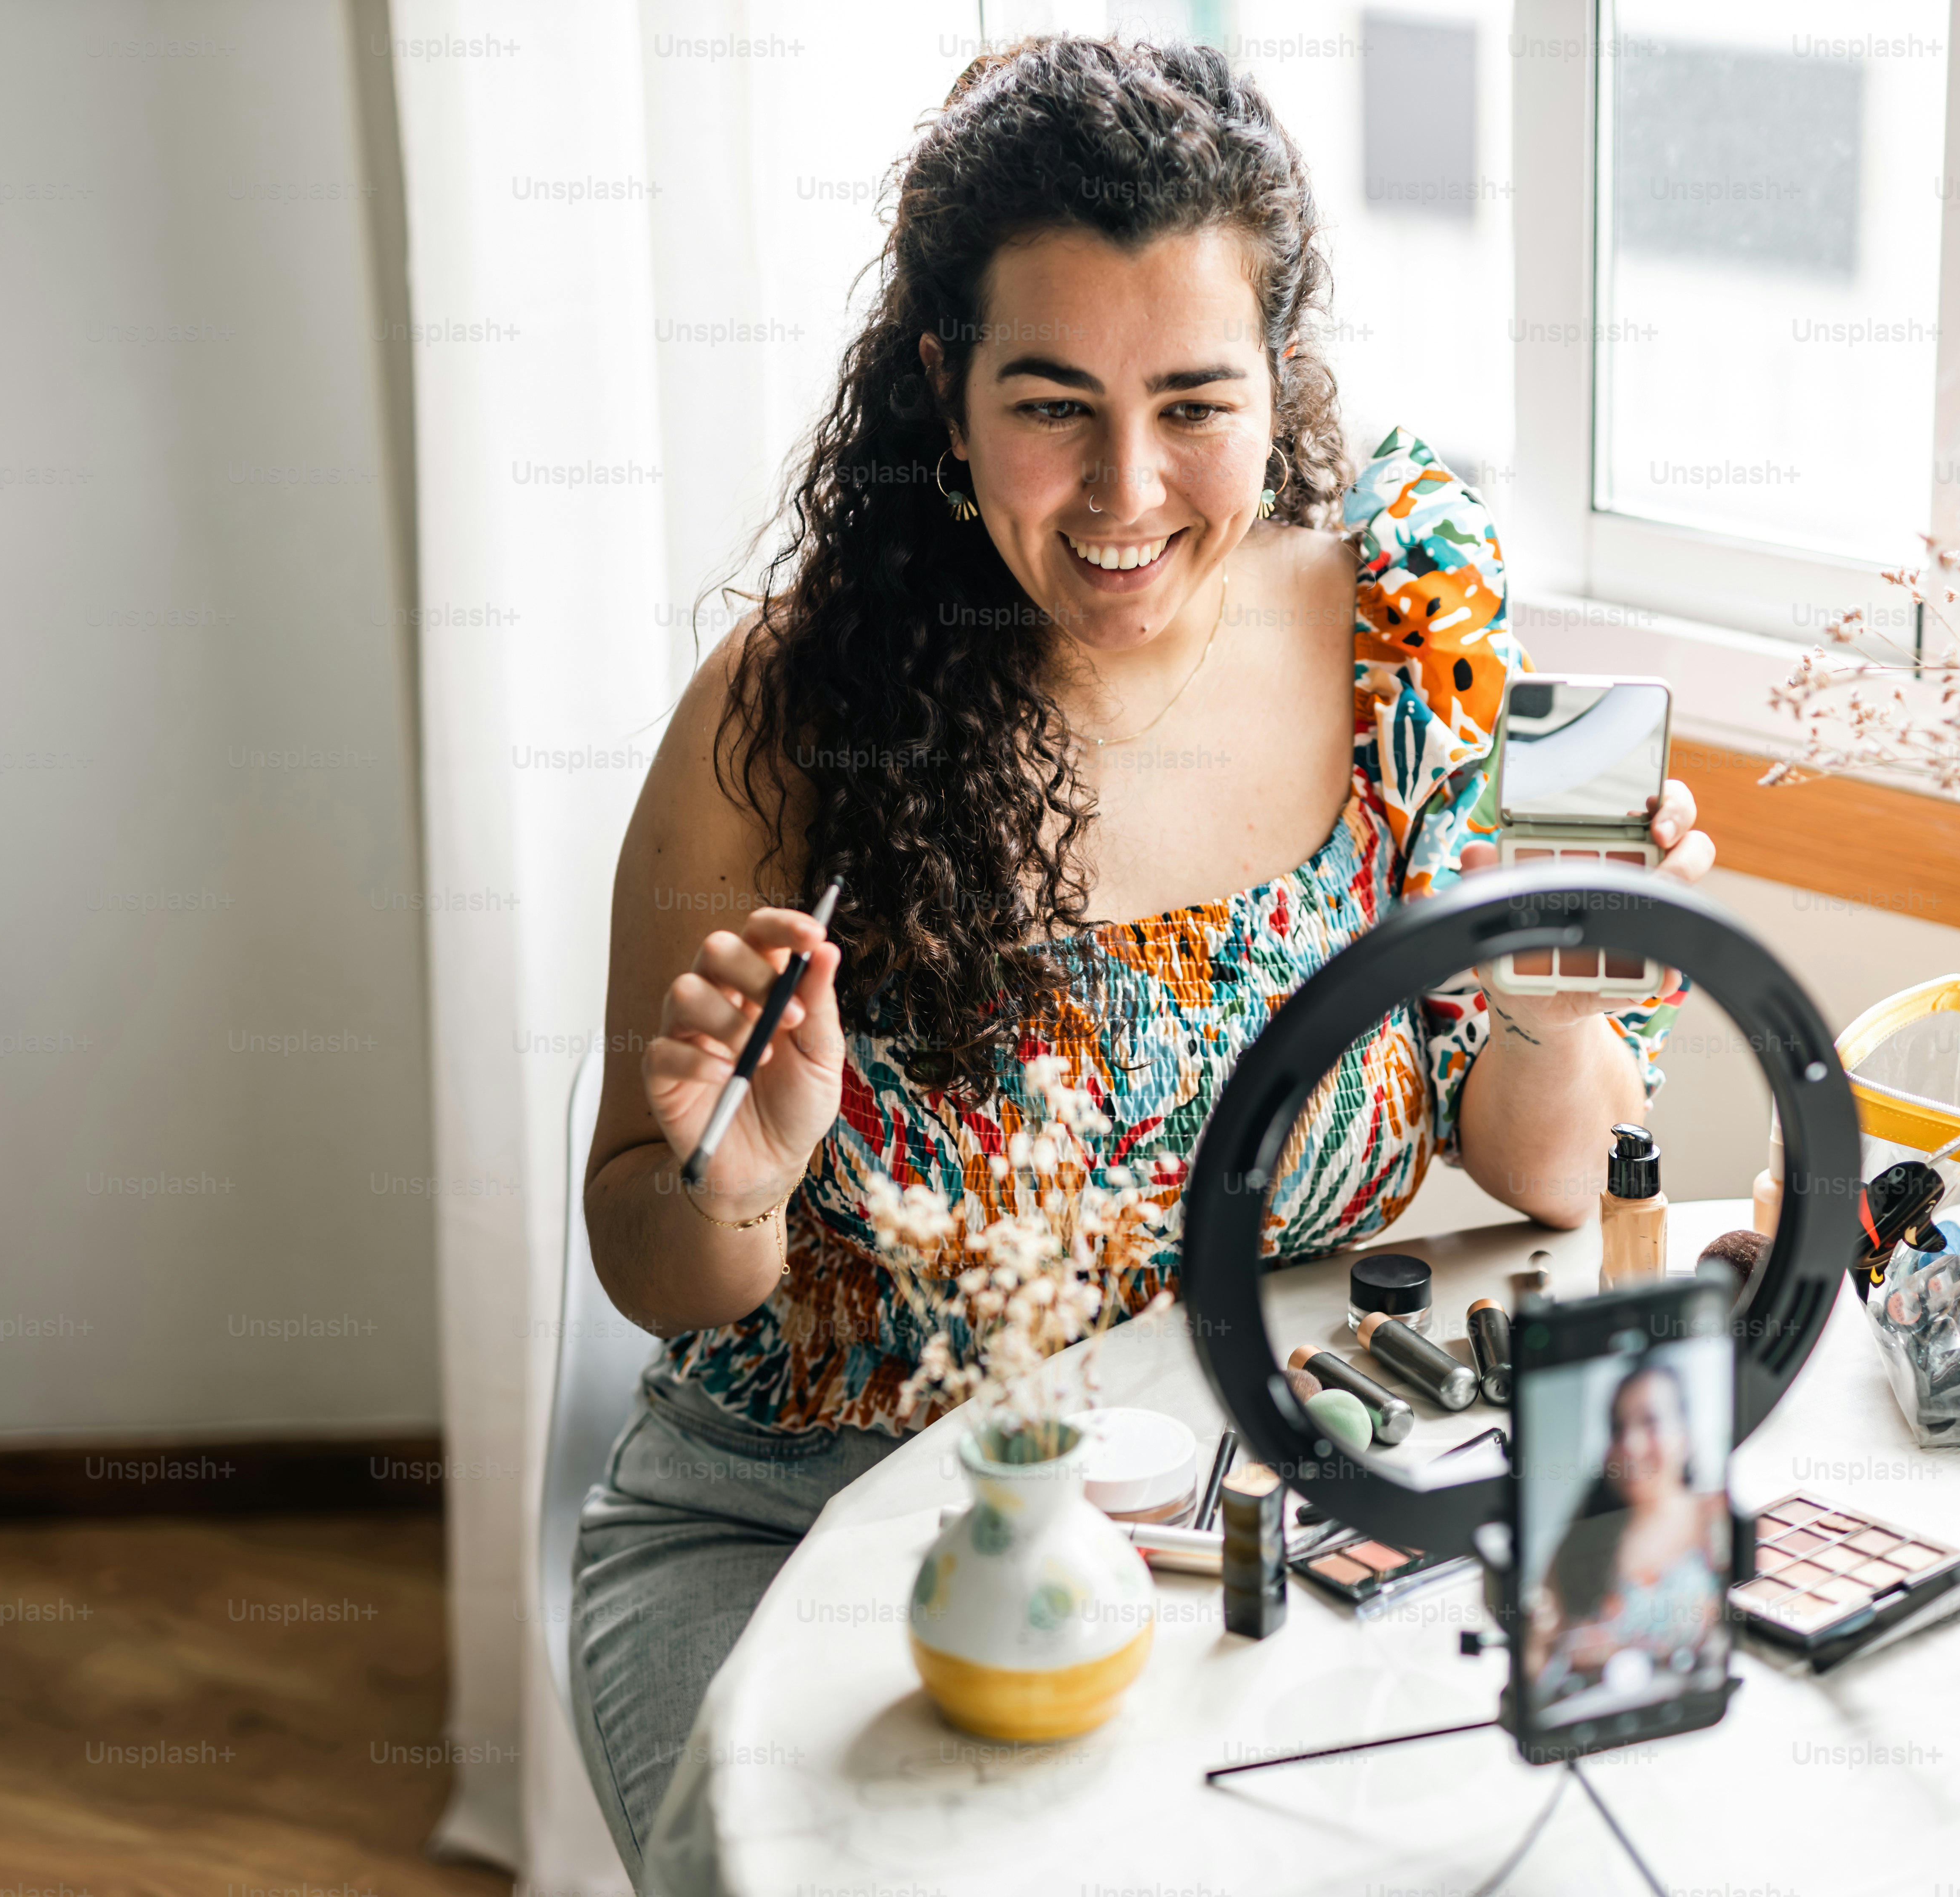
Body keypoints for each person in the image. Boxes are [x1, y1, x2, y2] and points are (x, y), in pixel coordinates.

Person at [570, 36, 1716, 1874]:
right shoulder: (794, 708)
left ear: (1278, 376)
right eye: (1050, 404)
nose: (1122, 491)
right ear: (944, 382)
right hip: (791, 1527)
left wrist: (1537, 997)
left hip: (1222, 1520)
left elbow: (1541, 1168)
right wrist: (739, 1178)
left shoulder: (1404, 623)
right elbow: (653, 1257)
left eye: (1192, 399)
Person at [1522, 1364, 1726, 1719]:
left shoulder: (1716, 1521)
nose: (1630, 1446)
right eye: (1618, 1428)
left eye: (1650, 1422)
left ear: (1685, 1435)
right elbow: (1538, 1653)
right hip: (1590, 1721)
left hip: (1691, 1715)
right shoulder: (1583, 1535)